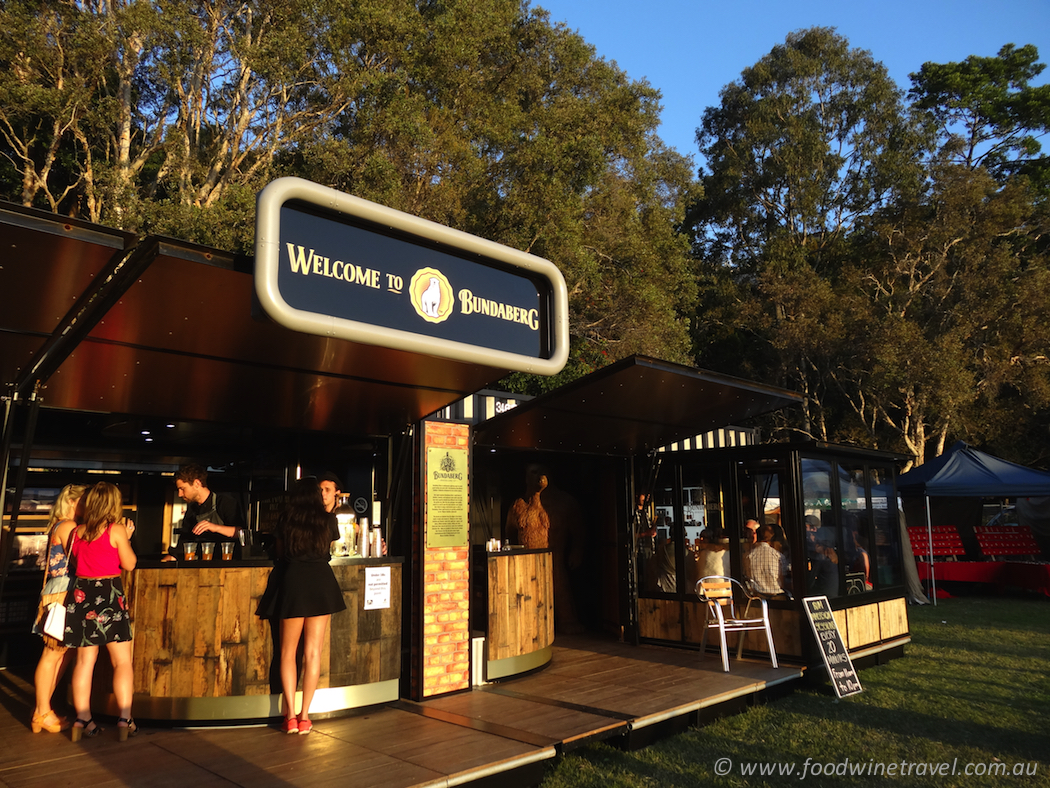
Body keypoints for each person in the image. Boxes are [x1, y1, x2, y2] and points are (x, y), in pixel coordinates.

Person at [257, 479, 346, 734]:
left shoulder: (287, 519)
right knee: (313, 652)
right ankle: (305, 716)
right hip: (320, 581)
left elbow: (281, 553)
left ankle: (290, 716)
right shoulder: (328, 520)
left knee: (286, 652)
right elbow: (327, 549)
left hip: (293, 581)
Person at [64, 481, 137, 741]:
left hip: (82, 596)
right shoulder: (115, 530)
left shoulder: (77, 532)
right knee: (122, 661)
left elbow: (75, 562)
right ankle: (124, 718)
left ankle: (83, 719)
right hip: (109, 595)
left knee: (84, 662)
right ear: (114, 504)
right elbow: (129, 564)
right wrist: (127, 538)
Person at [30, 484, 89, 733]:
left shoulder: (65, 525)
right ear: (74, 502)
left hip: (62, 590)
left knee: (62, 653)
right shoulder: (67, 527)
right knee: (52, 653)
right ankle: (41, 710)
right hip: (62, 592)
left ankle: (44, 709)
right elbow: (80, 558)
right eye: (86, 501)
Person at [171, 463, 245, 557]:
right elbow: (185, 539)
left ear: (197, 483)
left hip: (225, 563)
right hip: (200, 563)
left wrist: (215, 527)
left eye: (182, 489)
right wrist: (172, 557)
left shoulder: (224, 502)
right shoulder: (192, 509)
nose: (180, 494)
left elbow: (241, 533)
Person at [748, 524, 788, 597]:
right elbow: (782, 582)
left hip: (756, 596)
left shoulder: (748, 555)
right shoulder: (778, 555)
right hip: (776, 595)